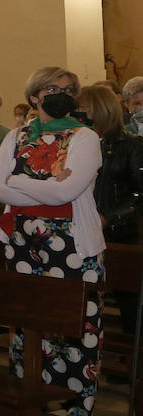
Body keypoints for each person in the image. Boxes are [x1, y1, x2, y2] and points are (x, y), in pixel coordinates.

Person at [0, 67, 106, 416]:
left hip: (71, 244)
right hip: (22, 243)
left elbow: (66, 192)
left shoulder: (85, 137)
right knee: (27, 330)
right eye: (52, 88)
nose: (62, 93)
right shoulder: (15, 136)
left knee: (74, 331)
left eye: (69, 89)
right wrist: (39, 184)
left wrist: (19, 180)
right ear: (34, 96)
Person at [79, 84, 142, 335]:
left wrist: (109, 217)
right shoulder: (80, 142)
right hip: (85, 231)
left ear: (99, 109)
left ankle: (132, 365)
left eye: (84, 108)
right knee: (85, 298)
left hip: (120, 233)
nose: (79, 113)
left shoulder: (131, 145)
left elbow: (139, 193)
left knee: (128, 302)